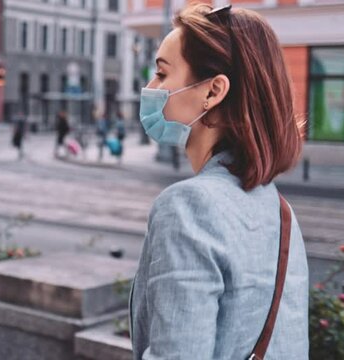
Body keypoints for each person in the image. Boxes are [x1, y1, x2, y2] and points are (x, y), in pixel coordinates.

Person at [129, 4, 308, 360]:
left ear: (213, 92)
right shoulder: (281, 211)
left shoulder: (187, 207)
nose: (150, 88)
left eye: (162, 75)